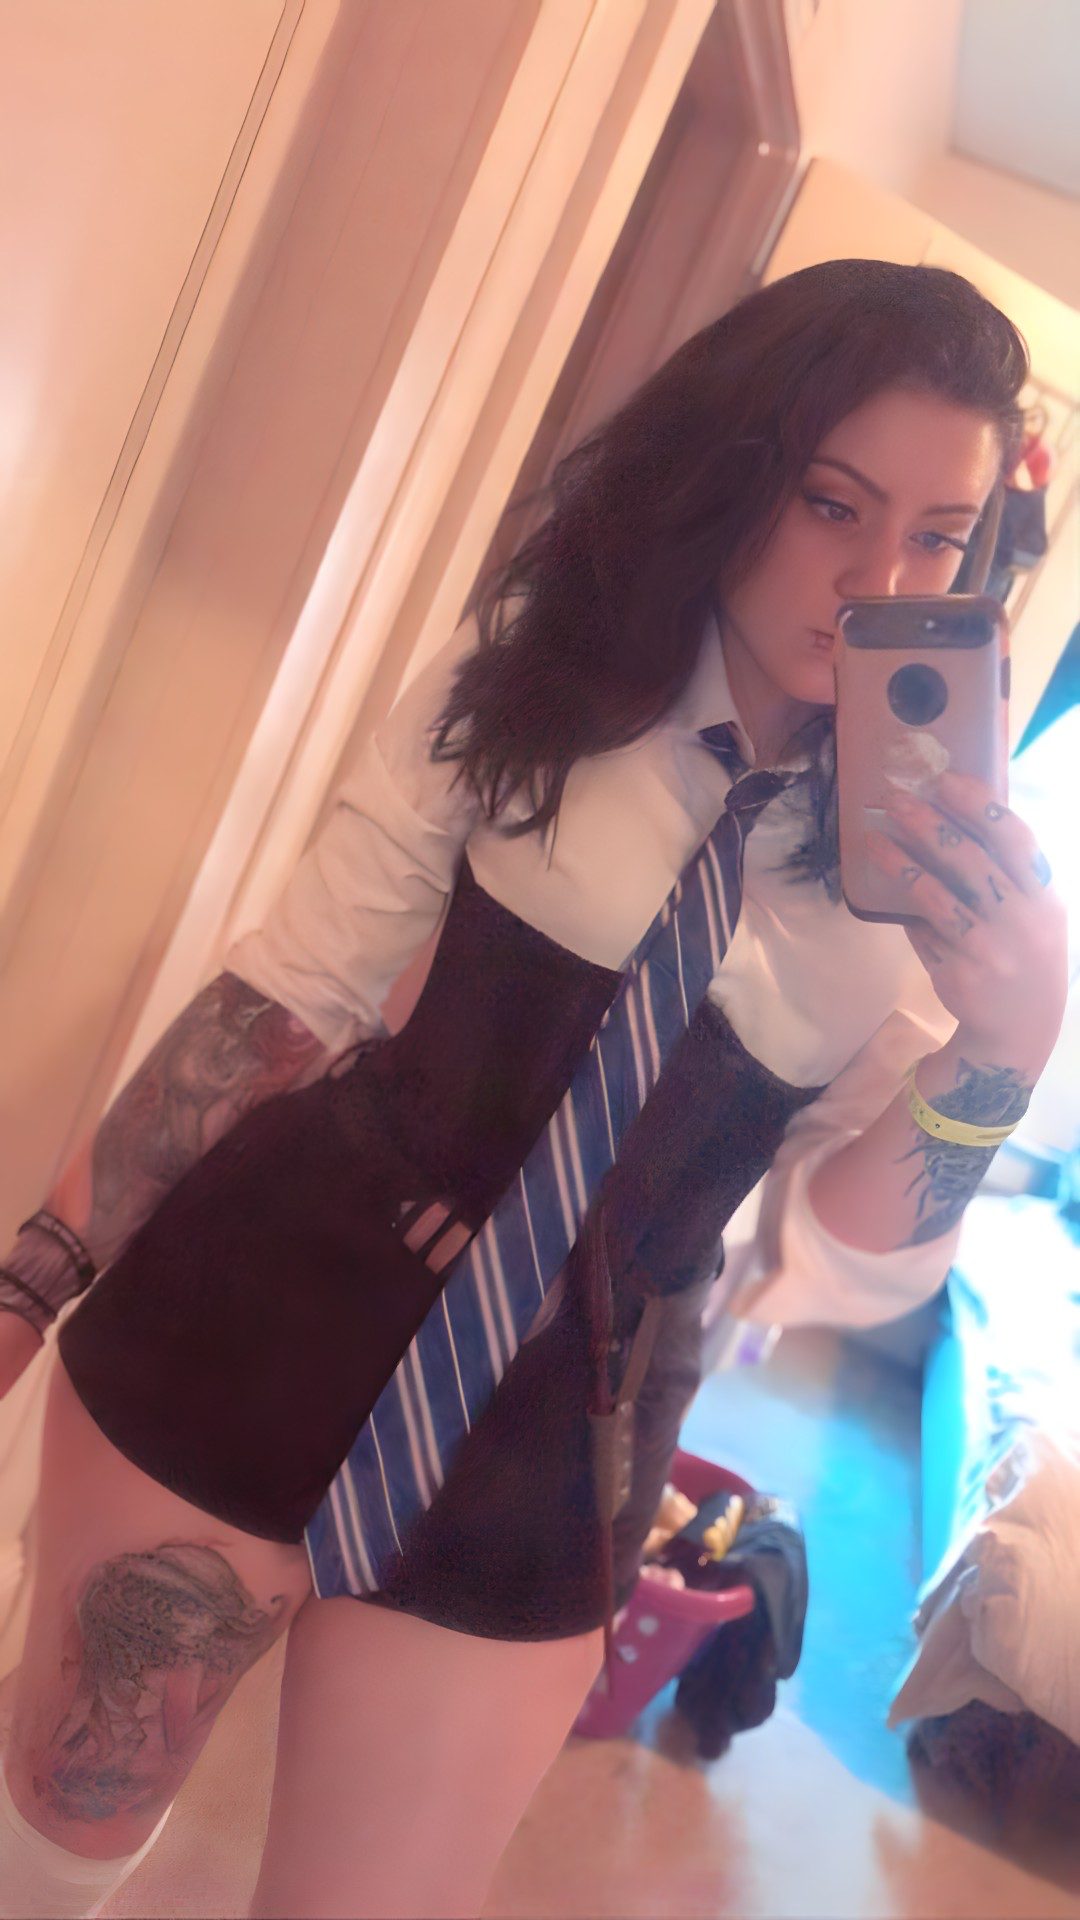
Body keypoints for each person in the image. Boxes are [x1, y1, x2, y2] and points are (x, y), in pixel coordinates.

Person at [0, 259, 1067, 1919]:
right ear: (738, 469)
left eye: (937, 538)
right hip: (262, 1307)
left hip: (560, 1441)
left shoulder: (933, 874)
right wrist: (33, 1275)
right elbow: (290, 997)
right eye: (830, 501)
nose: (877, 578)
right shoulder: (537, 675)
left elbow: (838, 1250)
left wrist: (999, 1058)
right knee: (57, 1825)